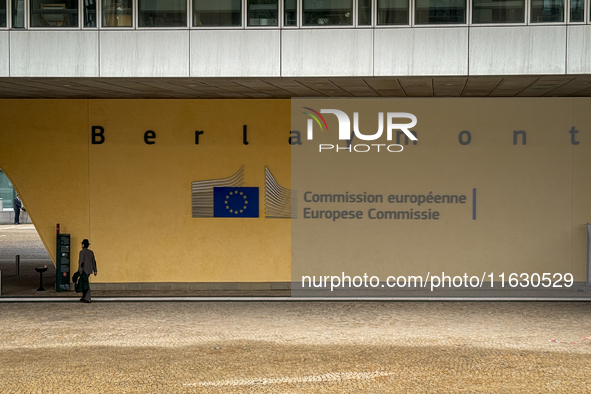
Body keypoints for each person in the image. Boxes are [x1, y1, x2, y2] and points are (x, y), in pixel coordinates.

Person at [78, 239, 97, 303]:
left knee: (86, 284)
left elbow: (81, 262)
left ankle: (88, 298)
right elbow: (93, 261)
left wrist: (80, 271)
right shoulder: (91, 252)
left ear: (83, 245)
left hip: (84, 270)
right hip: (89, 270)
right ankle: (84, 296)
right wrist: (95, 270)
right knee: (84, 283)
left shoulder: (81, 252)